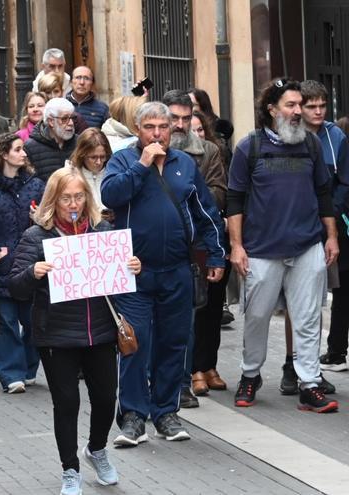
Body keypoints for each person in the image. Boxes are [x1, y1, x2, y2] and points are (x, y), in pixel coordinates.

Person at [9, 166, 141, 495]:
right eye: (66, 197)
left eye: (79, 196)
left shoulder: (101, 230)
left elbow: (119, 278)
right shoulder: (37, 237)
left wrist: (132, 266)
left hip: (100, 331)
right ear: (53, 200)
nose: (73, 204)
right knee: (67, 403)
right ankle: (70, 468)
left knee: (106, 398)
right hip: (57, 334)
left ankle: (96, 449)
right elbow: (15, 286)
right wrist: (33, 272)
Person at [101, 101, 225, 445]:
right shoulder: (123, 160)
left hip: (177, 270)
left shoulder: (184, 164)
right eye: (149, 127)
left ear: (171, 130)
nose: (157, 134)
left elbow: (206, 212)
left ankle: (166, 413)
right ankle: (132, 417)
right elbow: (110, 195)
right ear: (137, 130)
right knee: (134, 343)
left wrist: (216, 254)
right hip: (135, 272)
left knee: (173, 343)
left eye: (163, 127)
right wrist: (142, 166)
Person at [227, 79, 338, 413]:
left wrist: (331, 236)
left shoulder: (312, 145)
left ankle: (309, 384)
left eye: (299, 104)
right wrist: (236, 246)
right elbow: (234, 199)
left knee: (307, 318)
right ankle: (250, 375)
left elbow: (323, 194)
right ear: (272, 110)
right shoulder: (249, 147)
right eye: (290, 105)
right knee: (257, 316)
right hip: (261, 249)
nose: (297, 111)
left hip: (307, 247)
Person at [159, 89, 229, 407]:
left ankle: (185, 381)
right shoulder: (141, 152)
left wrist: (185, 193)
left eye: (186, 119)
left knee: (191, 316)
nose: (180, 125)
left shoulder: (209, 151)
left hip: (195, 244)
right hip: (155, 245)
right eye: (173, 118)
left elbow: (217, 194)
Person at [0, 133, 45, 393]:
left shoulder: (36, 185)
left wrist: (40, 218)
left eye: (23, 149)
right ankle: (11, 374)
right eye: (17, 149)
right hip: (0, 266)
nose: (23, 154)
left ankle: (29, 367)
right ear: (3, 154)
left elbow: (49, 218)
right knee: (6, 323)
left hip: (29, 265)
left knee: (34, 321)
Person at [299, 80, 349, 374]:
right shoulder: (292, 135)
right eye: (312, 106)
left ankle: (335, 351)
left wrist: (333, 212)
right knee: (305, 295)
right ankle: (301, 361)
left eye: (322, 105)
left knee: (340, 287)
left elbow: (344, 181)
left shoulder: (336, 136)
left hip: (333, 222)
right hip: (300, 222)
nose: (318, 111)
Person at [25, 97, 77, 181]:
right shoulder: (30, 147)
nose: (71, 123)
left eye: (73, 118)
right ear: (51, 121)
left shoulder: (80, 142)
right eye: (64, 119)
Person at [67, 128, 112, 217]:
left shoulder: (113, 172)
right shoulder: (70, 175)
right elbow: (70, 213)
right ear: (82, 155)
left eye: (102, 157)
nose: (99, 162)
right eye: (93, 157)